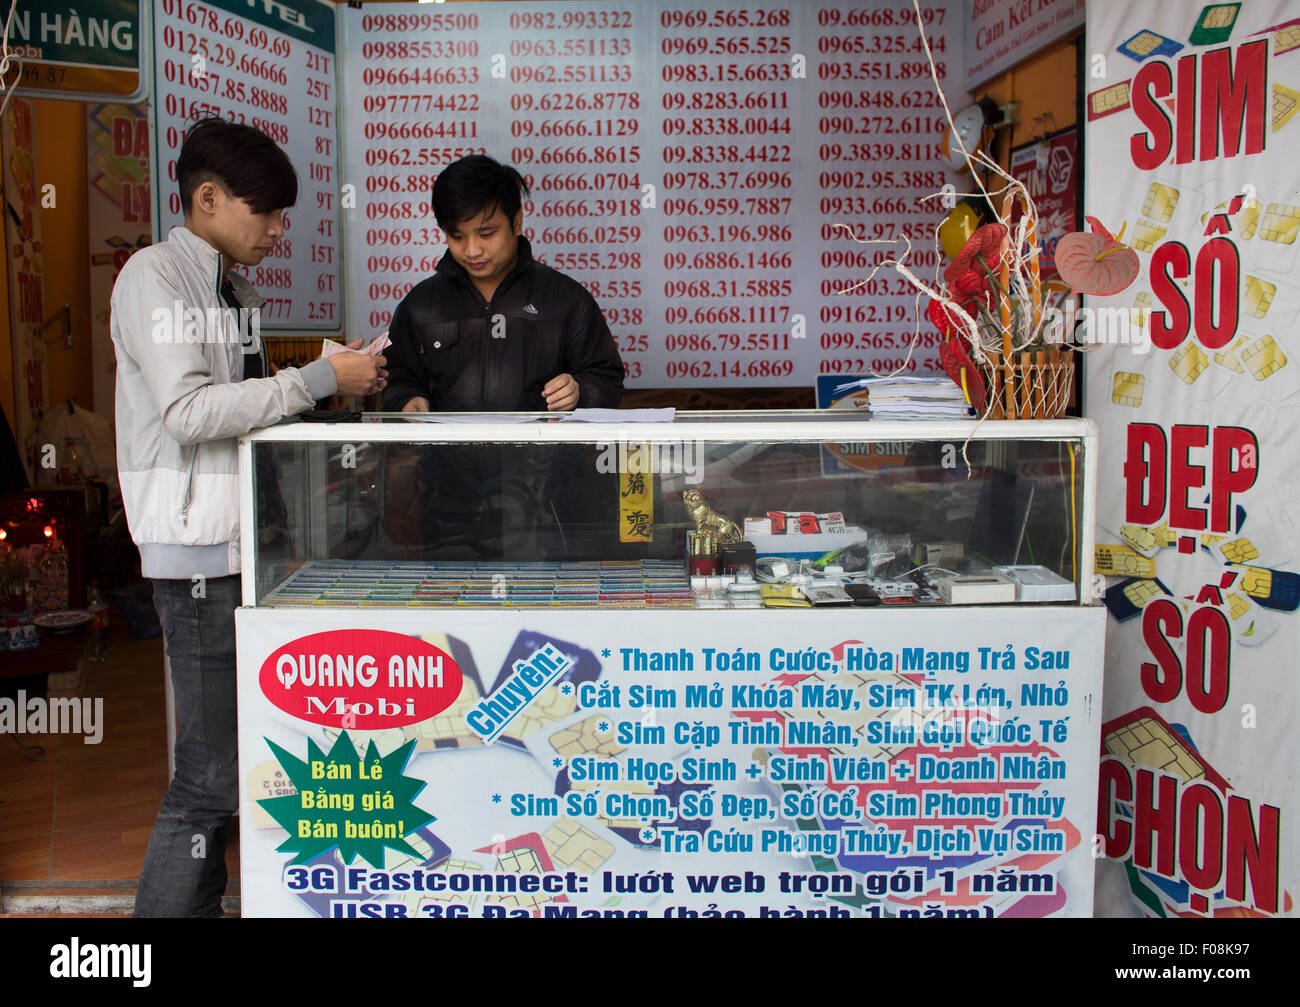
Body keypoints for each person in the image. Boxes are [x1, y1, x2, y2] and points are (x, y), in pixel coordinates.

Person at [110, 116, 386, 917]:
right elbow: (190, 412)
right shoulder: (153, 278)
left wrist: (342, 381)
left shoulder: (234, 287)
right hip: (196, 553)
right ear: (206, 198)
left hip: (246, 547)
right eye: (264, 210)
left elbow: (252, 416)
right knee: (206, 776)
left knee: (228, 764)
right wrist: (316, 379)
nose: (276, 229)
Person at [381, 153, 625, 413]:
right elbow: (395, 376)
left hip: (545, 453)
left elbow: (607, 378)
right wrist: (406, 399)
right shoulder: (421, 304)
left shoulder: (565, 298)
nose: (472, 250)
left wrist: (579, 391)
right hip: (444, 453)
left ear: (516, 222)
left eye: (486, 234)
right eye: (457, 236)